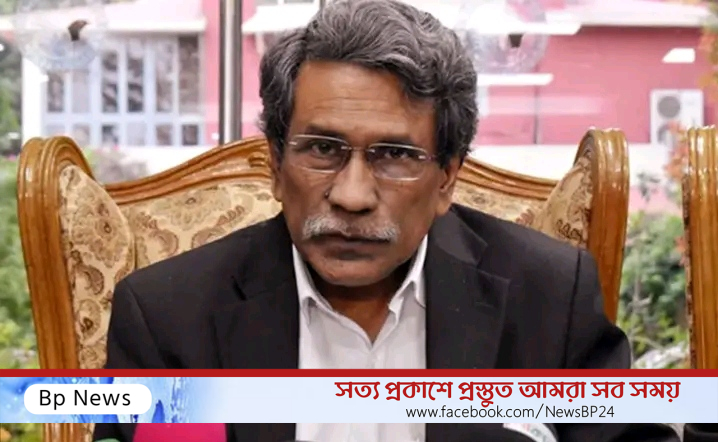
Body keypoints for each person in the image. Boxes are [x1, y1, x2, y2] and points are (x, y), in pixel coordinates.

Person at [94, 1, 697, 441]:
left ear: (447, 178)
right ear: (275, 166)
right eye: (322, 149)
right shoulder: (168, 315)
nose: (353, 196)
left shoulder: (546, 295)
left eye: (395, 156)